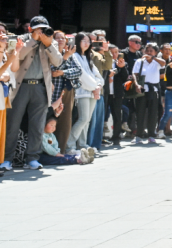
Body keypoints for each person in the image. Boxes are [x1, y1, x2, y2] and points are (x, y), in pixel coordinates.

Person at [4, 16, 62, 170]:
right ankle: (7, 159)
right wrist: (33, 41)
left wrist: (48, 44)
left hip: (40, 87)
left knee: (37, 125)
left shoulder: (51, 41)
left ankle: (32, 159)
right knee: (13, 124)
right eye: (39, 28)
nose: (42, 31)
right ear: (30, 29)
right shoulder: (21, 39)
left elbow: (58, 61)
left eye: (44, 28)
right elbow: (19, 55)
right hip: (20, 86)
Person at [69, 32, 102, 151]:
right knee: (83, 118)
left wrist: (98, 85)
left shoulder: (88, 57)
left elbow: (98, 75)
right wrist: (95, 87)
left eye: (88, 41)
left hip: (93, 91)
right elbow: (81, 74)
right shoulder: (74, 56)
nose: (87, 43)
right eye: (84, 41)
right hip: (82, 91)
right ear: (78, 42)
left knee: (87, 120)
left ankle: (82, 144)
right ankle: (70, 144)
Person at [0, 28, 22, 175]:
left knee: (1, 131)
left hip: (4, 94)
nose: (4, 38)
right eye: (1, 36)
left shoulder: (5, 54)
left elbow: (14, 68)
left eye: (5, 36)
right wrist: (8, 62)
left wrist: (17, 52)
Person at [132, 42, 162, 144]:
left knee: (153, 113)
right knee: (140, 113)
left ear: (156, 52)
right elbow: (135, 74)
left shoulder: (157, 62)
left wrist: (153, 58)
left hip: (153, 90)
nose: (148, 52)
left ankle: (151, 135)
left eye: (151, 51)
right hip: (142, 89)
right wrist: (136, 85)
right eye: (147, 50)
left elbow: (164, 63)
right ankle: (139, 135)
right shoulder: (140, 61)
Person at [88, 31, 112, 150]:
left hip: (100, 91)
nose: (92, 43)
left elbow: (108, 66)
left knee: (98, 121)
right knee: (89, 122)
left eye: (94, 41)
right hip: (87, 92)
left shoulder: (98, 55)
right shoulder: (81, 54)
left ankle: (95, 145)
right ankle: (87, 144)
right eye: (89, 40)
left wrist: (106, 51)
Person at [107, 45, 129, 147]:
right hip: (105, 93)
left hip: (117, 94)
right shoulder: (104, 63)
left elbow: (125, 78)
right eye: (112, 52)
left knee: (117, 115)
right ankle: (102, 136)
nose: (114, 54)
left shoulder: (121, 64)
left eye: (116, 52)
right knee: (103, 115)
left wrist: (122, 67)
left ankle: (116, 137)